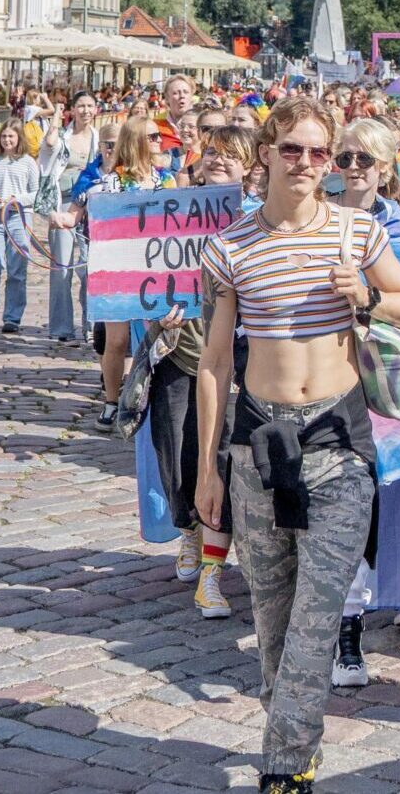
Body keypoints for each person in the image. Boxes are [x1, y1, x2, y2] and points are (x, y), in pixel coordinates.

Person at [195, 99, 400, 793]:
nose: (309, 165)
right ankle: (288, 723)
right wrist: (209, 466)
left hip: (338, 442)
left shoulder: (357, 232)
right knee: (271, 611)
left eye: (322, 153)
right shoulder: (229, 246)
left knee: (318, 614)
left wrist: (367, 298)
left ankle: (287, 763)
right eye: (294, 150)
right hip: (259, 443)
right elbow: (214, 363)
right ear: (266, 152)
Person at [152, 125, 258, 621]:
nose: (218, 162)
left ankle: (212, 576)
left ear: (250, 166)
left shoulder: (258, 220)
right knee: (177, 453)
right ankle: (188, 531)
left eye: (230, 156)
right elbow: (139, 277)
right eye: (212, 153)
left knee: (220, 458)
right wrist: (154, 311)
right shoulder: (169, 213)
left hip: (236, 362)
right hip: (180, 349)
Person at [86, 118, 176, 428]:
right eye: (151, 136)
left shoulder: (166, 180)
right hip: (119, 269)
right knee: (117, 340)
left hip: (156, 269)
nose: (158, 140)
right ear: (135, 140)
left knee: (154, 336)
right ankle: (112, 400)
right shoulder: (112, 182)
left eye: (158, 135)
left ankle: (150, 396)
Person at [41, 89, 100, 344]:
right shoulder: (64, 136)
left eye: (90, 105)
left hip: (93, 207)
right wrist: (55, 115)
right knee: (61, 268)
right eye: (81, 106)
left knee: (91, 268)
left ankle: (92, 324)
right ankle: (62, 326)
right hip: (64, 204)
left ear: (96, 109)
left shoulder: (100, 139)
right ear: (73, 110)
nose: (85, 110)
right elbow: (50, 144)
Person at [0, 119, 40, 332]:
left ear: (18, 138)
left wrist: (18, 199)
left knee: (17, 269)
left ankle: (13, 316)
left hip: (19, 217)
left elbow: (35, 193)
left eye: (11, 136)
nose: (7, 140)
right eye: (4, 136)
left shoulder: (28, 162)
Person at [334, 118, 400, 238]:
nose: (353, 166)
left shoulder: (391, 218)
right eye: (345, 158)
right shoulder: (319, 208)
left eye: (363, 158)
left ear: (385, 164)